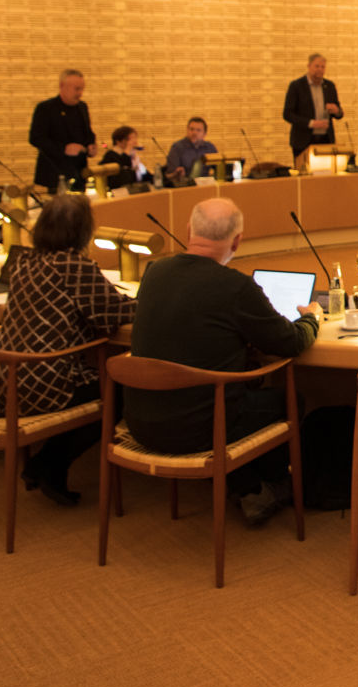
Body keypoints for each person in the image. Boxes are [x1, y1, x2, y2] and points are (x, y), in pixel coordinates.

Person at [125, 198, 319, 526]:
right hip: (200, 431)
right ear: (237, 241)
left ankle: (245, 485)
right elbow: (291, 343)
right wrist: (312, 318)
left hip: (140, 422)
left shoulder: (154, 272)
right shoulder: (236, 287)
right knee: (288, 400)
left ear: (188, 230)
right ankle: (260, 491)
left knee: (229, 395)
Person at [0, 194, 136, 506]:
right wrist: (150, 300)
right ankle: (49, 466)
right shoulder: (74, 266)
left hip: (4, 380)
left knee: (97, 383)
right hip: (41, 382)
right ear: (83, 232)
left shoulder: (24, 261)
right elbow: (111, 313)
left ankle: (45, 464)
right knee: (119, 392)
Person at [29, 69, 95, 191]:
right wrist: (64, 148)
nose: (80, 93)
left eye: (82, 89)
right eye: (76, 89)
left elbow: (88, 133)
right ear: (62, 86)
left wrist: (91, 144)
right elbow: (36, 138)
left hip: (79, 170)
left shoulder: (82, 107)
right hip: (55, 171)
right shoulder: (46, 108)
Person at [282, 53, 343, 169]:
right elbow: (287, 114)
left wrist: (337, 111)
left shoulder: (329, 86)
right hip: (303, 141)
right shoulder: (296, 86)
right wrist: (311, 123)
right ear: (309, 66)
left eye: (323, 67)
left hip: (325, 140)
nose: (320, 69)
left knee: (325, 173)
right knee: (304, 174)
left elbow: (339, 114)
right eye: (317, 66)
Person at [165, 116, 219, 182]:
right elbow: (169, 175)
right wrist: (177, 174)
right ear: (187, 130)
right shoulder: (177, 147)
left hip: (206, 184)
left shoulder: (210, 148)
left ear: (204, 134)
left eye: (198, 130)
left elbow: (218, 169)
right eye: (191, 129)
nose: (194, 133)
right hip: (185, 185)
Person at [98, 126, 152, 190]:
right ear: (118, 141)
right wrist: (128, 149)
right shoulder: (111, 155)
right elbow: (122, 169)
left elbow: (144, 174)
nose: (134, 142)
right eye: (129, 139)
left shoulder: (133, 156)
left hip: (135, 188)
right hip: (118, 190)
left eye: (135, 138)